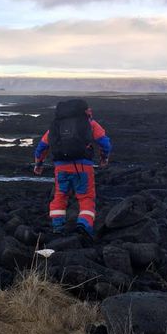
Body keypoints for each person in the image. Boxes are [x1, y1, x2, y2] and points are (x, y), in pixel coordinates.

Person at [33, 99, 112, 238]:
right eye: (89, 109)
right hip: (83, 167)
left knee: (60, 195)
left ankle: (58, 226)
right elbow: (105, 143)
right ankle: (84, 225)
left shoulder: (56, 126)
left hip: (60, 167)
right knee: (86, 197)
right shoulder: (90, 124)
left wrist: (38, 164)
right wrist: (104, 157)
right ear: (85, 111)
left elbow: (42, 146)